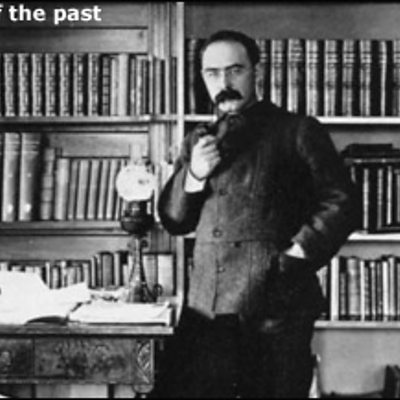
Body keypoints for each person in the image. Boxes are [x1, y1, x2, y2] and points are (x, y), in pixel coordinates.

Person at [155, 30, 358, 398]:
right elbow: (175, 221)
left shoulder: (297, 130)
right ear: (202, 77)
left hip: (275, 309)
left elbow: (342, 202)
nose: (224, 83)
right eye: (213, 73)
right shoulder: (198, 140)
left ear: (257, 72)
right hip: (206, 311)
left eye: (235, 70)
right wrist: (194, 174)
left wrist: (293, 257)